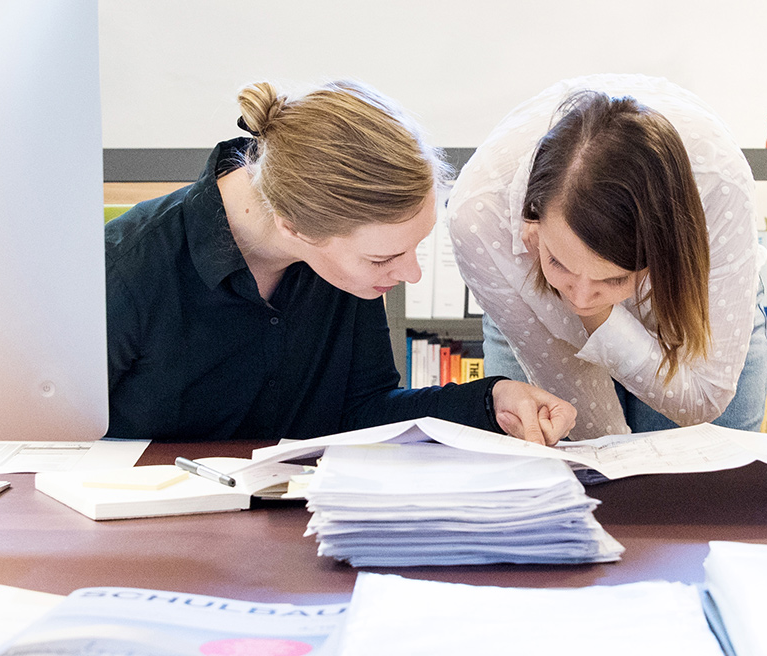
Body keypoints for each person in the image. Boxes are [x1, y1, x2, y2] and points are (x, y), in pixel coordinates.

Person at [104, 80, 577, 444]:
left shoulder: (338, 265)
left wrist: (489, 401)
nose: (410, 273)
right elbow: (53, 443)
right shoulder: (125, 269)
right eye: (384, 258)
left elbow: (364, 410)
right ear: (295, 227)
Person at [450, 76, 767, 439]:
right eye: (558, 261)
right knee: (560, 475)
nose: (582, 301)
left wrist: (601, 318)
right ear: (533, 218)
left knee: (711, 487)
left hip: (678, 303)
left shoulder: (719, 181)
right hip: (533, 302)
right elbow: (596, 436)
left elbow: (703, 401)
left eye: (615, 278)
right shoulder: (479, 215)